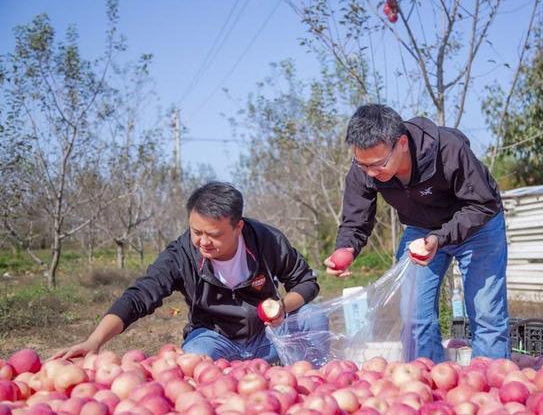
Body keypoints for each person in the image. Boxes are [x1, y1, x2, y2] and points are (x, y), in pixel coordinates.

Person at [54, 182, 329, 365]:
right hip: (214, 338)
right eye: (196, 232)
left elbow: (306, 281)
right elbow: (140, 295)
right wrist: (95, 340)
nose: (203, 242)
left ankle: (309, 378)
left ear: (238, 227)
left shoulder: (266, 240)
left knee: (313, 317)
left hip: (267, 335)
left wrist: (282, 306)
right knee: (195, 357)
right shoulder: (182, 253)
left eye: (214, 235)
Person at [325, 104, 509, 363]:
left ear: (401, 143)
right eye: (362, 164)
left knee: (486, 312)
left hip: (478, 225)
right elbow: (356, 218)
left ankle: (491, 385)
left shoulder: (448, 150)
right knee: (415, 316)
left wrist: (440, 238)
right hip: (421, 229)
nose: (370, 172)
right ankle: (427, 381)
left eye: (378, 164)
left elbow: (483, 203)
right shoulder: (365, 167)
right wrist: (346, 247)